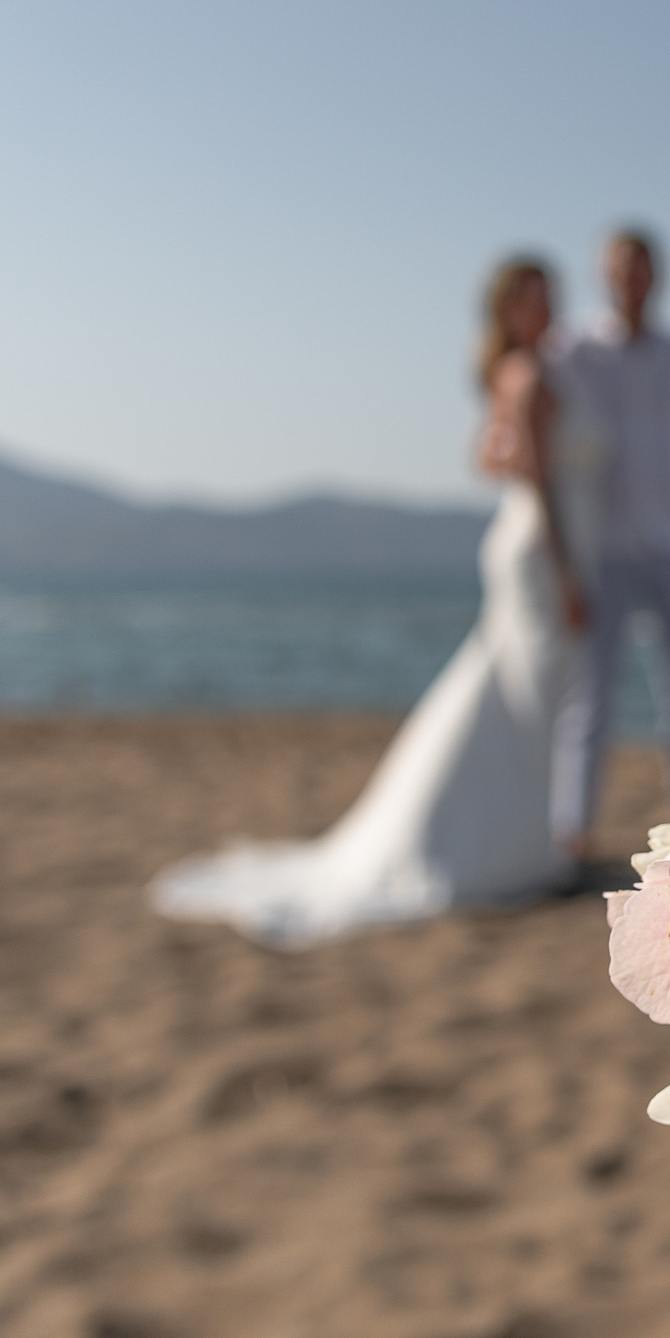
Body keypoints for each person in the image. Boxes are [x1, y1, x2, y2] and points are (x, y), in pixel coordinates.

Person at [148, 256, 596, 947]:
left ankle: (518, 844)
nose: (544, 308)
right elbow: (536, 478)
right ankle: (514, 848)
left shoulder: (511, 373)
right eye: (530, 298)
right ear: (507, 310)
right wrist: (568, 570)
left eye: (547, 296)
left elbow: (490, 456)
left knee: (517, 693)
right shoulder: (532, 374)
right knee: (531, 696)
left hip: (517, 540)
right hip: (537, 545)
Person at [548, 228, 670, 859]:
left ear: (657, 275)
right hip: (608, 549)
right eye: (619, 269)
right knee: (590, 692)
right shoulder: (577, 352)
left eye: (640, 268)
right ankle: (574, 832)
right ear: (604, 275)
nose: (630, 280)